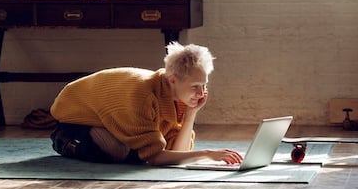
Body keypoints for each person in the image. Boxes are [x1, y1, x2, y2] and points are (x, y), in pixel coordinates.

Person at [49, 42, 244, 166]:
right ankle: (65, 143)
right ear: (173, 79)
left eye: (204, 85)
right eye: (195, 87)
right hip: (74, 120)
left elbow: (177, 151)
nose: (201, 93)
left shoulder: (181, 97)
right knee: (120, 151)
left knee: (135, 152)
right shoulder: (143, 96)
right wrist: (208, 154)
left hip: (112, 116)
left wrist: (191, 114)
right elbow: (156, 157)